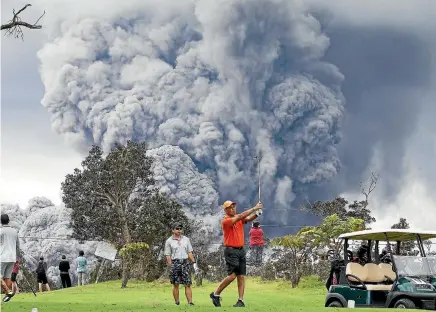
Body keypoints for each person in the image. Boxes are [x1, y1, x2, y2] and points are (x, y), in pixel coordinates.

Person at [210, 200, 263, 307]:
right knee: (232, 276)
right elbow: (240, 217)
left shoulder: (238, 217)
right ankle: (215, 294)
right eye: (230, 207)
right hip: (231, 250)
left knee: (241, 276)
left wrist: (258, 213)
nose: (233, 208)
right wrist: (254, 208)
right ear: (226, 210)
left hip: (241, 250)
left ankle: (240, 301)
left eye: (234, 206)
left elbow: (248, 219)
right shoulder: (226, 221)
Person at [164, 222, 197, 306]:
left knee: (188, 283)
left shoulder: (186, 239)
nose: (179, 230)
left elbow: (189, 252)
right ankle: (177, 302)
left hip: (185, 263)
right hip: (175, 263)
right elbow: (168, 255)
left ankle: (190, 302)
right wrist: (171, 265)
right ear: (173, 230)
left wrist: (193, 262)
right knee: (176, 284)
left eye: (180, 229)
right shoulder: (169, 241)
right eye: (177, 229)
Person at [1, 214, 20, 302]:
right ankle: (7, 297)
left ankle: (8, 291)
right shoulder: (14, 231)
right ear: (8, 221)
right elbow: (17, 246)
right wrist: (18, 257)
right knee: (7, 277)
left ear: (1, 221)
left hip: (2, 257)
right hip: (12, 257)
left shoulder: (0, 231)